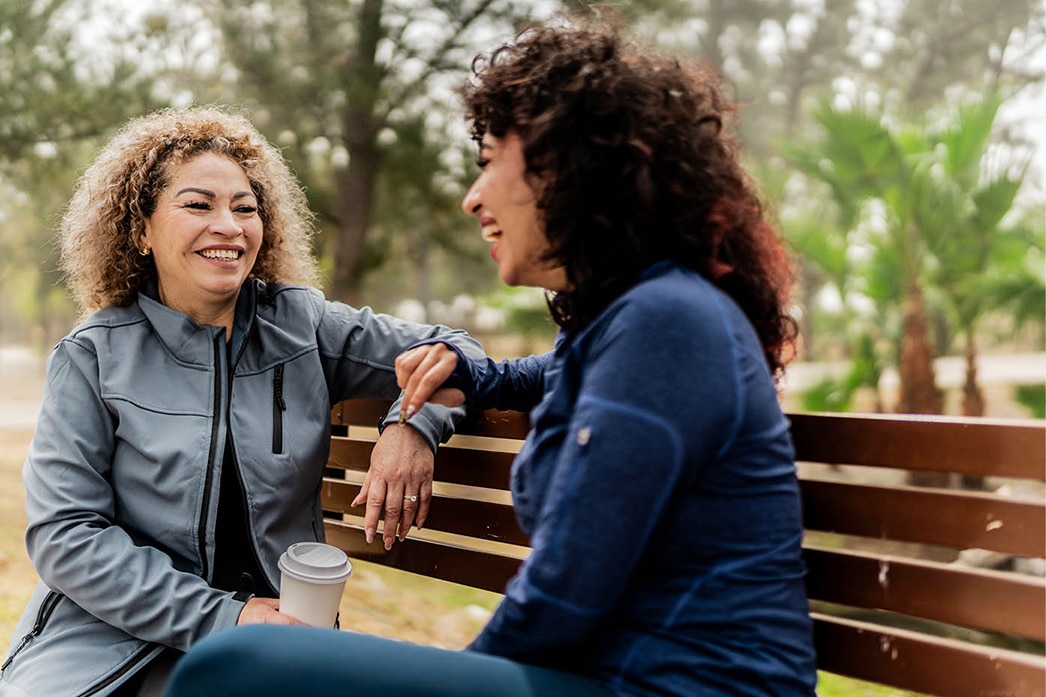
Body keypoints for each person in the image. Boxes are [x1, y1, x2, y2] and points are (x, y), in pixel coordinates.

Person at [162, 13, 817, 697]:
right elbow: (529, 376)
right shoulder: (630, 321)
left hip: (677, 687)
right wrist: (461, 374)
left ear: (569, 165)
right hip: (609, 677)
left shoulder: (667, 323)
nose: (474, 197)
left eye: (488, 164)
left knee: (232, 667)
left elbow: (567, 594)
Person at [0, 105, 486, 697]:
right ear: (140, 230)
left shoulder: (303, 325)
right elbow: (67, 534)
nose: (228, 225)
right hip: (106, 640)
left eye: (245, 208)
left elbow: (455, 351)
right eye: (198, 205)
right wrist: (225, 618)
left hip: (279, 635)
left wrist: (411, 423)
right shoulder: (92, 355)